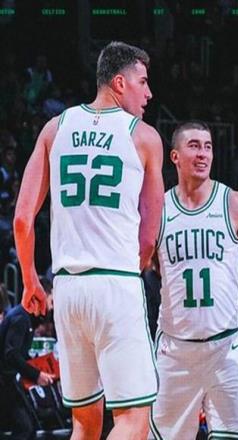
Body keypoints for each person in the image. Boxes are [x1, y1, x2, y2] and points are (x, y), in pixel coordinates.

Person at [13, 41, 164, 440]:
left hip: (67, 290)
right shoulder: (144, 137)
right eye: (143, 82)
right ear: (119, 83)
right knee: (134, 420)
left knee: (85, 422)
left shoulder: (54, 128)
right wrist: (131, 270)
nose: (149, 93)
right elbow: (149, 235)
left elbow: (23, 219)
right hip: (115, 283)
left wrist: (30, 280)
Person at [151, 121, 238, 440]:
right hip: (175, 350)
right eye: (194, 146)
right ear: (175, 156)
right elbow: (141, 261)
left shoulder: (232, 202)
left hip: (224, 348)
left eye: (208, 146)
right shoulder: (159, 208)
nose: (203, 153)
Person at [0, 291, 56, 439]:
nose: (51, 308)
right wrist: (36, 375)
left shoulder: (22, 317)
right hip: (4, 381)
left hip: (7, 381)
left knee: (26, 427)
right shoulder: (21, 318)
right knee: (25, 428)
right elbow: (11, 354)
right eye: (50, 302)